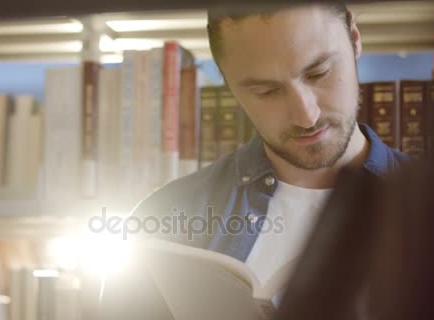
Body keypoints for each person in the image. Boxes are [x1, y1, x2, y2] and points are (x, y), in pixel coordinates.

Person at [131, 3, 408, 284]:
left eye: (318, 73)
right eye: (267, 91)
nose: (306, 116)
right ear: (227, 82)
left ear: (354, 38)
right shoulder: (163, 217)